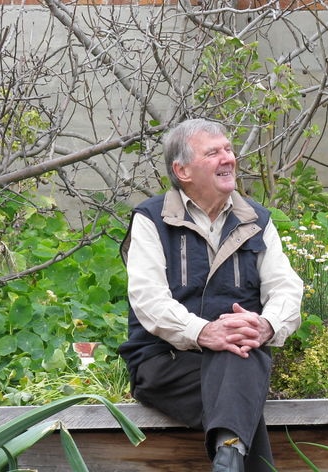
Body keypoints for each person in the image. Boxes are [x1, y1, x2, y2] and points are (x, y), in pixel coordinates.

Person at [118, 118, 303, 472]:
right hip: (166, 364)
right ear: (182, 170)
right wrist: (204, 333)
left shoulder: (257, 220)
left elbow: (286, 287)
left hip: (236, 361)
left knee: (238, 355)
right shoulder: (152, 219)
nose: (228, 158)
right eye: (214, 152)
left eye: (229, 149)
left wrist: (266, 325)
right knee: (241, 370)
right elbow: (149, 300)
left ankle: (228, 456)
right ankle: (231, 452)